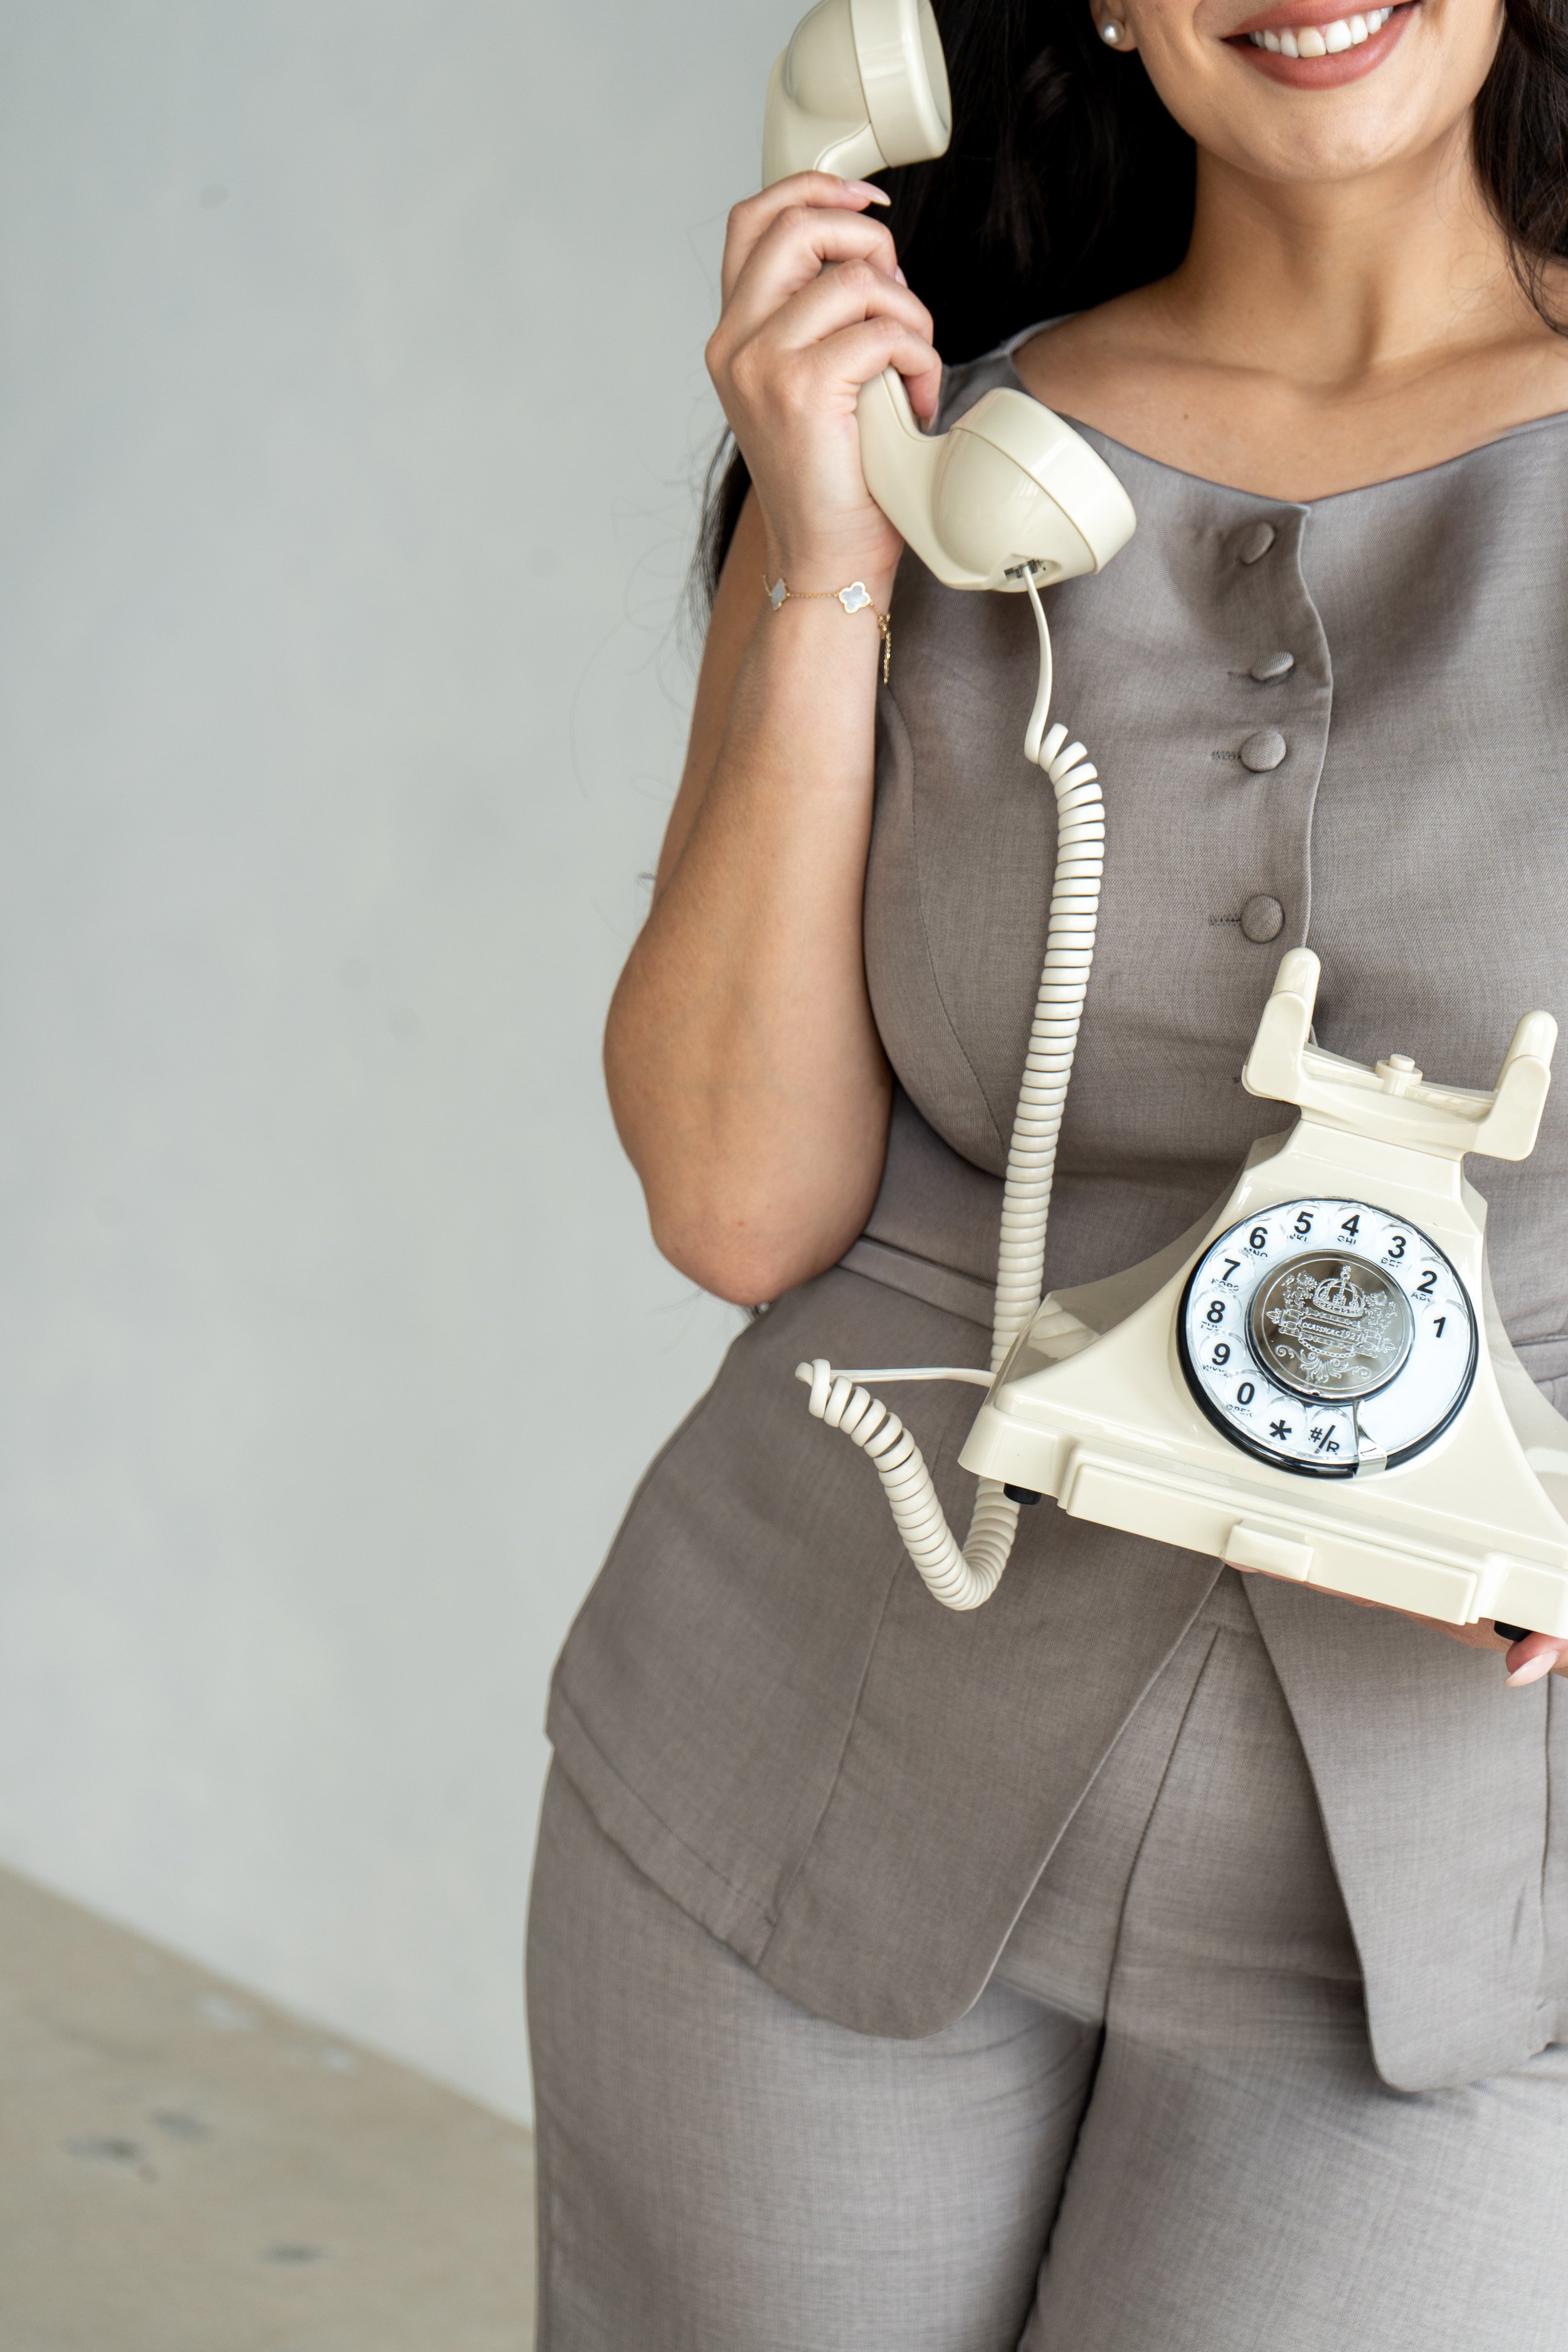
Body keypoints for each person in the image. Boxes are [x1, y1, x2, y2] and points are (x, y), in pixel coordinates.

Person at [527, 0, 1568, 2341]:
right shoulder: (935, 459)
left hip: (1464, 1881)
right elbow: (735, 1202)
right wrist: (820, 552)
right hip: (798, 1748)